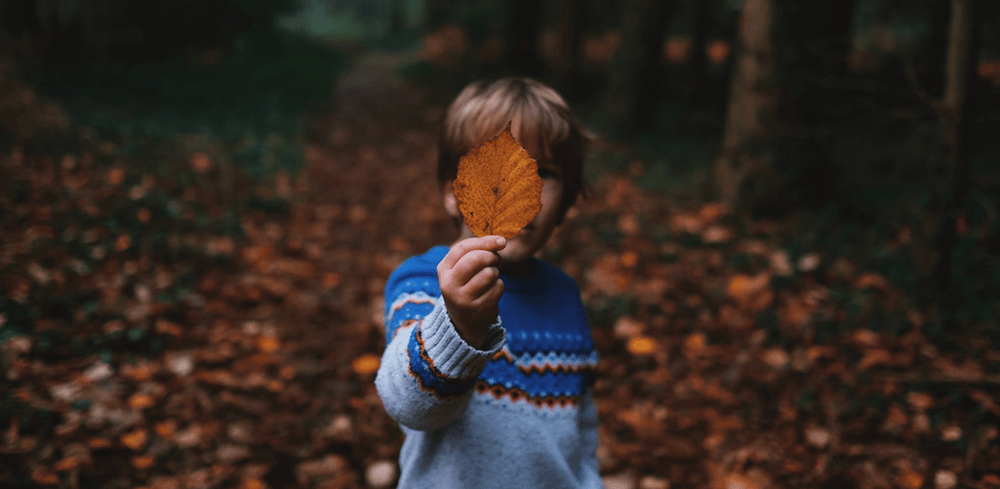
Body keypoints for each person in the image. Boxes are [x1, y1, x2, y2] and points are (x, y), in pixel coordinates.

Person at [375, 77, 603, 488]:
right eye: (497, 168)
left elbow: (582, 433)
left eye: (544, 172)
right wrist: (458, 323)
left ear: (566, 203)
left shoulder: (564, 296)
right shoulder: (425, 282)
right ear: (453, 192)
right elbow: (409, 405)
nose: (522, 185)